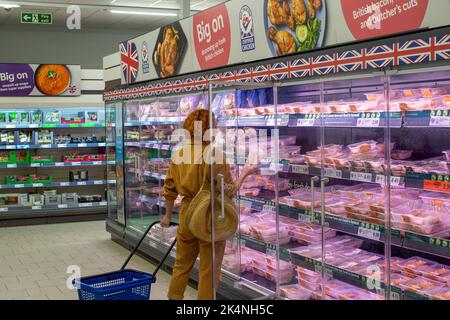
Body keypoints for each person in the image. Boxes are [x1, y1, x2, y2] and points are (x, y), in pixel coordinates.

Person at [160, 109, 257, 300]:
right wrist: (245, 172)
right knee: (209, 271)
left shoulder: (179, 153)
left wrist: (167, 216)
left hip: (187, 214)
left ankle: (174, 297)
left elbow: (169, 188)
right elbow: (228, 190)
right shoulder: (214, 154)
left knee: (181, 264)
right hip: (209, 215)